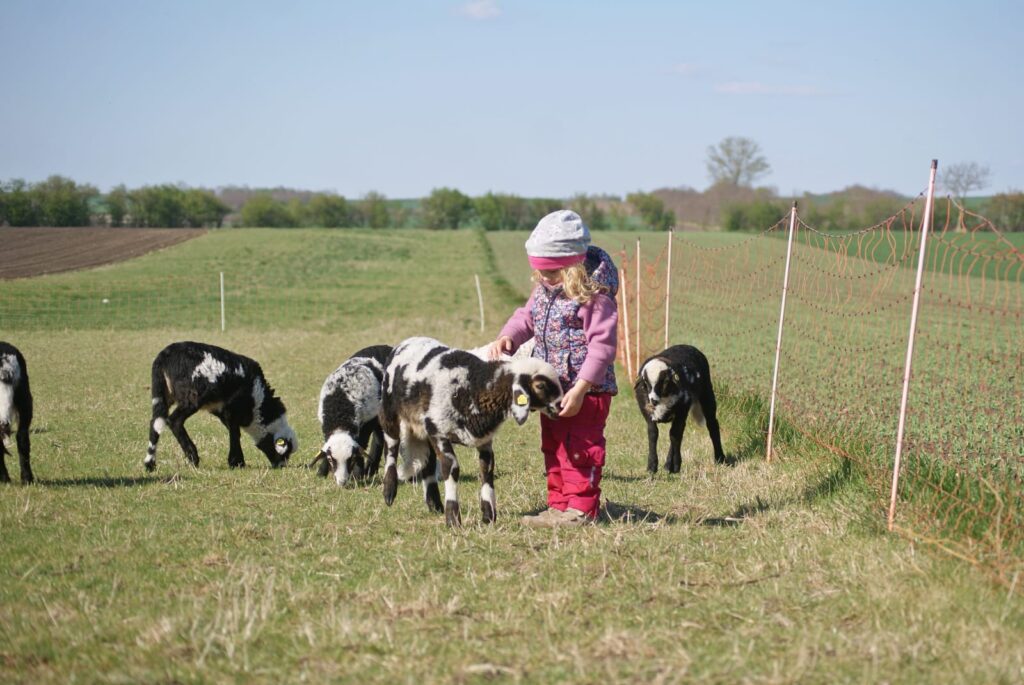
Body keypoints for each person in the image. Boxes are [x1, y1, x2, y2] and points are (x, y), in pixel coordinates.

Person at [488, 209, 618, 527]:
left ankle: (581, 509)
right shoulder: (546, 291)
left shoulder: (594, 299)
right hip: (554, 389)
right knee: (555, 445)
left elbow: (602, 348)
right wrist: (509, 337)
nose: (545, 279)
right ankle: (559, 504)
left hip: (586, 392)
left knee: (580, 448)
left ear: (572, 266)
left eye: (552, 273)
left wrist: (582, 387)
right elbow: (527, 317)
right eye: (541, 273)